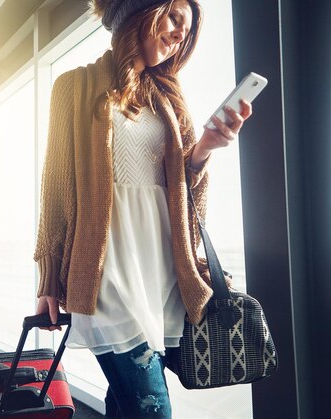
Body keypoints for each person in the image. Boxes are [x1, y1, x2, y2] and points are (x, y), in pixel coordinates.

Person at [33, 0, 252, 417]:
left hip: (160, 277)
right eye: (173, 18)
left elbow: (186, 199)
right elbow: (56, 189)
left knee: (126, 405)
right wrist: (47, 279)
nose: (178, 35)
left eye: (186, 31)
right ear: (139, 12)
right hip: (106, 278)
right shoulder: (73, 87)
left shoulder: (168, 100)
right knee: (153, 409)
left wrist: (204, 150)